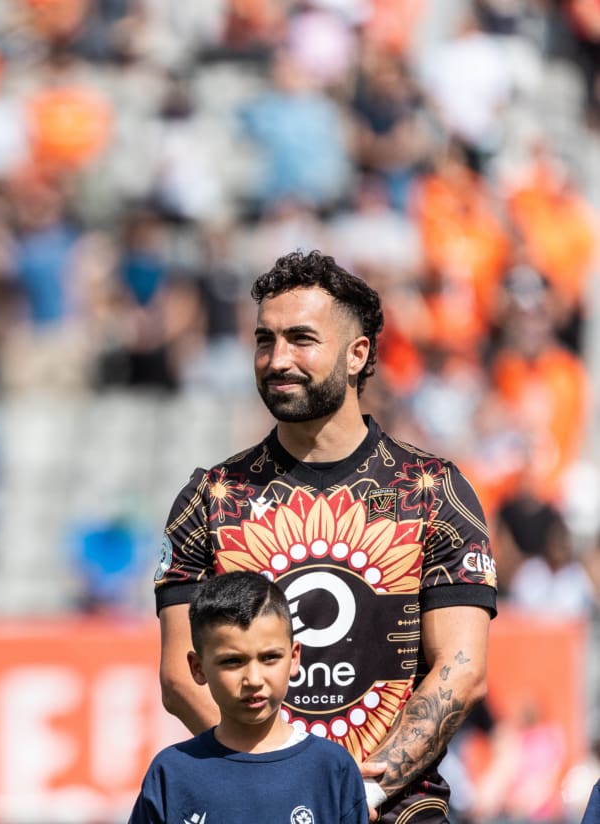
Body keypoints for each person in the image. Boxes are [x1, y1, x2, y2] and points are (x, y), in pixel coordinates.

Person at [154, 250, 497, 823]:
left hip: (397, 808)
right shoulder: (208, 500)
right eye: (265, 340)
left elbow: (462, 670)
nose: (277, 359)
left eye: (301, 339)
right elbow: (177, 676)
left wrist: (358, 794)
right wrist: (278, 780)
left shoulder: (434, 490)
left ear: (358, 354)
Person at [130, 571, 369, 824]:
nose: (254, 679)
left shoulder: (332, 768)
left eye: (269, 658)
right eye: (233, 661)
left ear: (294, 656)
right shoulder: (171, 772)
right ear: (197, 668)